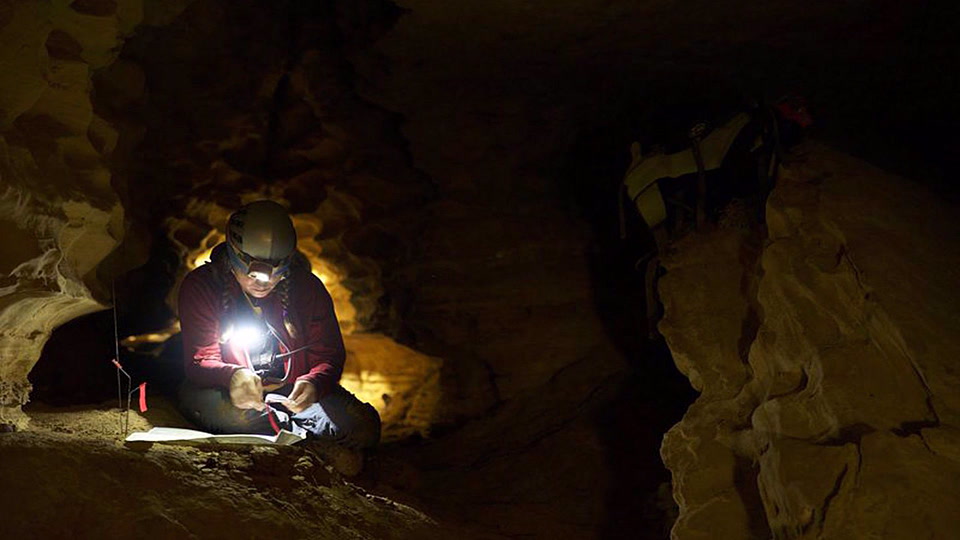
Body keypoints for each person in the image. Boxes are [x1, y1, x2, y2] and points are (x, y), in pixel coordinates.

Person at [176, 200, 381, 464]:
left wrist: (314, 383)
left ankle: (290, 435)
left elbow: (328, 354)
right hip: (226, 391)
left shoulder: (307, 289)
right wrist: (232, 375)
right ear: (233, 253)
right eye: (252, 271)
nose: (264, 282)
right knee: (236, 418)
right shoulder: (202, 286)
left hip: (290, 391)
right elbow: (200, 359)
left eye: (276, 270)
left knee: (363, 426)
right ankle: (309, 445)